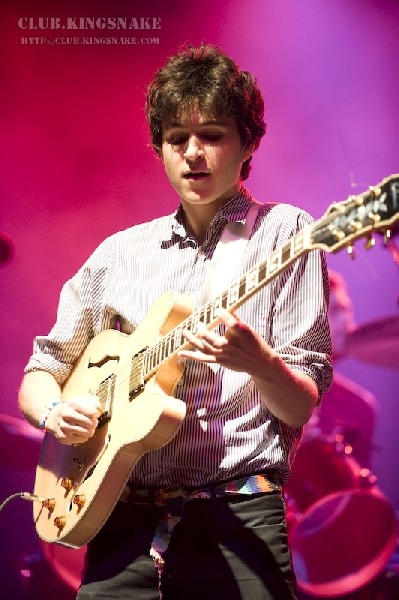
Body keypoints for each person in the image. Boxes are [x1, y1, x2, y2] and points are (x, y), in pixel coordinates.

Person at [18, 44, 332, 600]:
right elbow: (42, 371)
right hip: (122, 524)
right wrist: (55, 410)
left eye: (212, 134)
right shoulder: (120, 254)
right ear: (158, 148)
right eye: (175, 139)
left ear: (248, 142)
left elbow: (300, 405)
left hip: (240, 515)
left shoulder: (287, 234)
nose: (193, 153)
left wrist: (257, 363)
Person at [308, 270, 379, 469]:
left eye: (348, 310)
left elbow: (358, 495)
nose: (347, 322)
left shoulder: (361, 409)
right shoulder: (264, 383)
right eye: (336, 311)